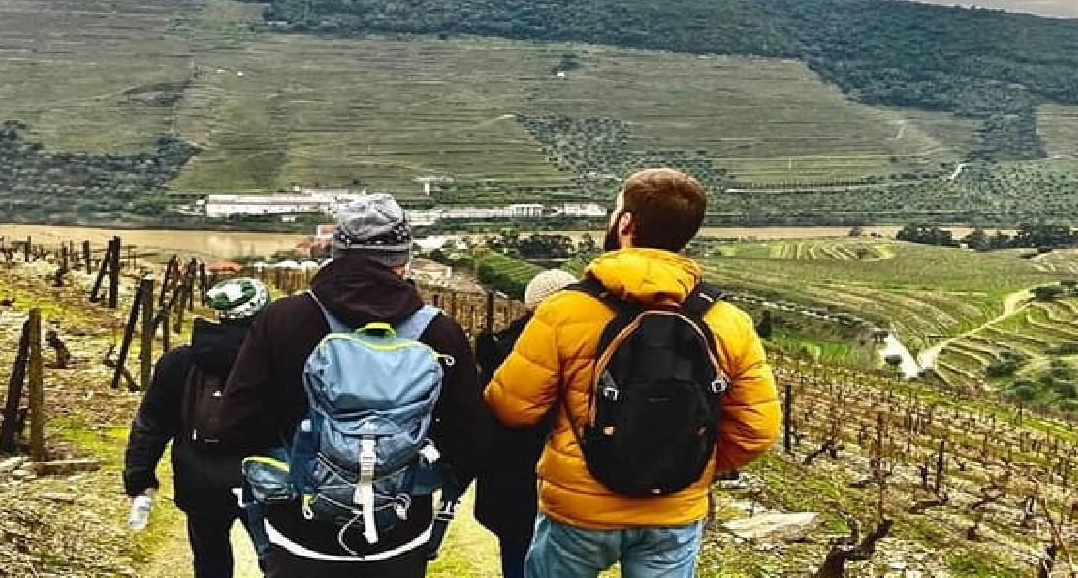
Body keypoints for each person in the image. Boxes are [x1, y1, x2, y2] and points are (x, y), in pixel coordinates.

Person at [484, 168, 781, 578]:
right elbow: (757, 429)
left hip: (579, 509)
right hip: (674, 511)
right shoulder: (728, 321)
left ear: (625, 223)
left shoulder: (565, 311)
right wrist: (689, 462)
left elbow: (512, 408)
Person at [219, 193, 489, 578]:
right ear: (403, 258)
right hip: (400, 529)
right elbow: (471, 438)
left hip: (300, 529)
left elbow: (236, 424)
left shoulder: (282, 320)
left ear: (335, 251)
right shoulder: (438, 331)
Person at [122, 277, 275, 578]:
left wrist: (138, 477)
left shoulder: (179, 362)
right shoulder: (276, 359)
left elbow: (151, 424)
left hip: (200, 480)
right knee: (275, 559)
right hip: (264, 479)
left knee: (209, 559)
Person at [475, 269, 577, 578]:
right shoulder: (589, 350)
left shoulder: (500, 348)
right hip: (568, 481)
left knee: (516, 555)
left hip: (509, 480)